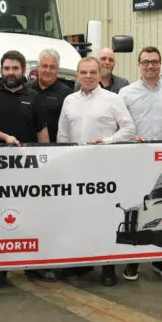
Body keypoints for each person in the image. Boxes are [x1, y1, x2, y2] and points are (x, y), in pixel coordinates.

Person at [0, 50, 49, 288]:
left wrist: (48, 161)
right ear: (2, 70)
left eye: (15, 68)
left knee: (30, 216)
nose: (11, 73)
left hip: (28, 169)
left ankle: (33, 266)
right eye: (7, 68)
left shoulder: (33, 96)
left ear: (23, 71)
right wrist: (4, 137)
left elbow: (41, 132)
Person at [58, 57, 136, 286]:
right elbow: (62, 135)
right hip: (77, 170)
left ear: (100, 74)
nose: (89, 76)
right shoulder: (69, 101)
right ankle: (82, 262)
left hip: (106, 170)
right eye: (84, 72)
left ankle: (108, 266)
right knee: (80, 217)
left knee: (106, 218)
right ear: (77, 75)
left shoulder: (113, 99)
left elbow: (129, 129)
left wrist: (110, 141)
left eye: (93, 72)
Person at [119, 47, 162, 282]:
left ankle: (159, 260)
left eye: (154, 62)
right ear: (139, 65)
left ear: (160, 64)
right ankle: (132, 261)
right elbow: (120, 123)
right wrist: (131, 137)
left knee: (160, 211)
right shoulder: (125, 93)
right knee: (138, 209)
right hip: (135, 158)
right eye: (145, 62)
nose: (150, 67)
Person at [31, 48, 72, 142]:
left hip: (55, 149)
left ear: (57, 69)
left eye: (52, 67)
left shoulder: (66, 94)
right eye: (44, 66)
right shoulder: (26, 89)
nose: (48, 70)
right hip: (27, 149)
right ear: (38, 68)